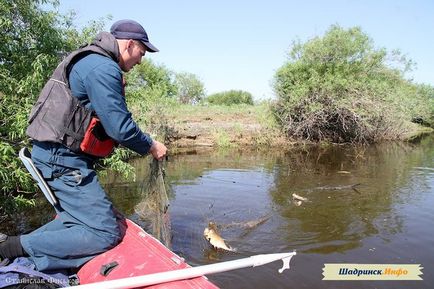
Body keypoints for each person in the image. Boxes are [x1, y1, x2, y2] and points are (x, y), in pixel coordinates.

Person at [0, 19, 167, 271]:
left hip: (56, 156)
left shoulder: (90, 59)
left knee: (76, 220)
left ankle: (20, 249)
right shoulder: (103, 68)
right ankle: (9, 248)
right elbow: (120, 128)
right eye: (141, 53)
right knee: (105, 232)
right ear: (130, 44)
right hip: (62, 160)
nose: (140, 61)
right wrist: (151, 145)